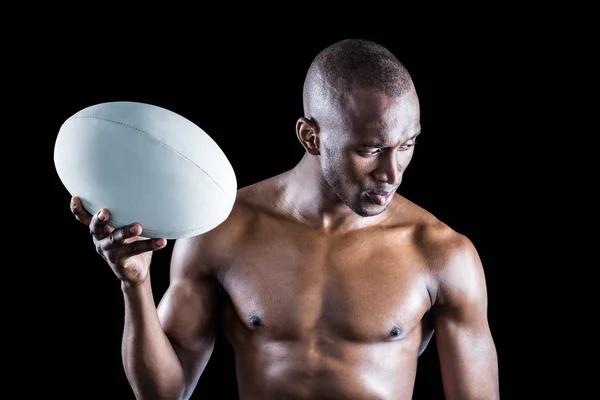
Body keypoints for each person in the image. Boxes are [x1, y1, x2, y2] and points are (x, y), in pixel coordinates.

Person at [70, 38, 499, 400]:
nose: (392, 172)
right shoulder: (225, 230)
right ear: (311, 136)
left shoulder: (441, 254)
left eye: (407, 144)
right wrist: (135, 283)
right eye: (370, 150)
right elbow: (164, 392)